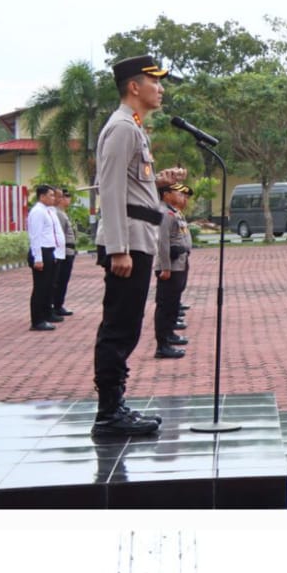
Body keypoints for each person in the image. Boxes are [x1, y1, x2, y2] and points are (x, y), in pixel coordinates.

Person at [92, 54, 186, 438]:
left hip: (138, 239)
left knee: (127, 325)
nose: (160, 89)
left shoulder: (133, 128)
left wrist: (159, 183)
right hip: (127, 242)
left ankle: (114, 405)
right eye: (155, 81)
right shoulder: (122, 129)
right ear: (135, 86)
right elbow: (110, 189)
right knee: (120, 327)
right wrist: (118, 248)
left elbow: (132, 187)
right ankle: (109, 413)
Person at [153, 180, 192, 359]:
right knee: (165, 305)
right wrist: (166, 267)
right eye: (178, 193)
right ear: (166, 194)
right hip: (171, 266)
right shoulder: (165, 213)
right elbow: (163, 242)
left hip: (180, 263)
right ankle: (162, 345)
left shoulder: (175, 212)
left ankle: (169, 335)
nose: (182, 197)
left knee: (173, 303)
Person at [26, 183, 64, 331]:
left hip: (50, 251)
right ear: (42, 196)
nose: (54, 198)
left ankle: (46, 314)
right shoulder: (37, 212)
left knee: (48, 287)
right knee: (40, 288)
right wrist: (38, 258)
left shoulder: (48, 210)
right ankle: (37, 320)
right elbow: (35, 236)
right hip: (41, 251)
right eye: (51, 195)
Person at [52, 187, 78, 319]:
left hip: (68, 250)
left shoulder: (62, 212)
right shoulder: (58, 214)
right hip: (64, 251)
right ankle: (55, 306)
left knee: (63, 280)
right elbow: (59, 234)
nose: (68, 199)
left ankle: (58, 305)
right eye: (65, 196)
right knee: (59, 280)